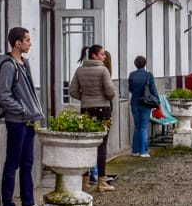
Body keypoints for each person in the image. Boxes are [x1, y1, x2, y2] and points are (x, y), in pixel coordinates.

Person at [0, 27, 46, 206]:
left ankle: (28, 202)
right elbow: (2, 95)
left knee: (27, 163)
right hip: (16, 121)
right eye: (27, 40)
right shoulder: (9, 65)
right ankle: (7, 205)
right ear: (18, 43)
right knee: (12, 162)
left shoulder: (24, 63)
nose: (30, 44)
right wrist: (22, 110)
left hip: (29, 120)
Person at [68, 43, 116, 191]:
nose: (104, 57)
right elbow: (110, 92)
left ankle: (85, 181)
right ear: (94, 55)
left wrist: (86, 97)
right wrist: (105, 96)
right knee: (101, 145)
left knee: (86, 143)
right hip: (103, 109)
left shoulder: (79, 70)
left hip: (86, 109)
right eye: (102, 54)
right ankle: (101, 181)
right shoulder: (103, 70)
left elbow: (72, 91)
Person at [127, 55, 159, 157]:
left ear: (135, 64)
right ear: (145, 64)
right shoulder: (149, 75)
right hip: (146, 104)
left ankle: (135, 151)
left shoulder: (132, 75)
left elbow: (130, 89)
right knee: (144, 127)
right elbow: (153, 89)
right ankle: (143, 151)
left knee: (137, 127)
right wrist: (158, 102)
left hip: (134, 103)